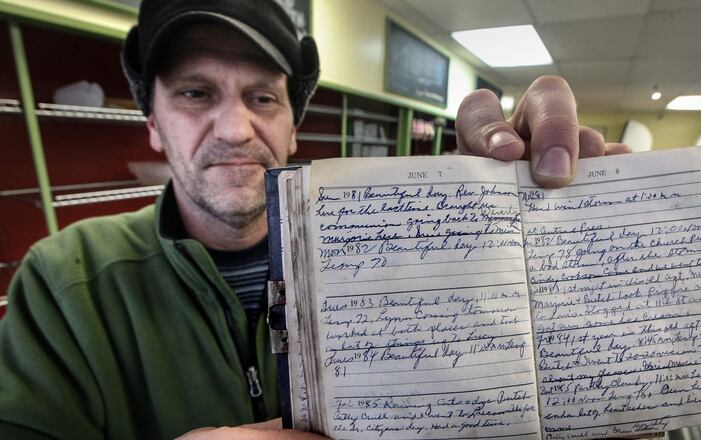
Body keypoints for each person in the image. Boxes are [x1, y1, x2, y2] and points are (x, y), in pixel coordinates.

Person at [0, 0, 629, 439]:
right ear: (154, 126)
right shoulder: (64, 284)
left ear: (293, 127)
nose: (236, 127)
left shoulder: (399, 256)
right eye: (195, 93)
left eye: (262, 97)